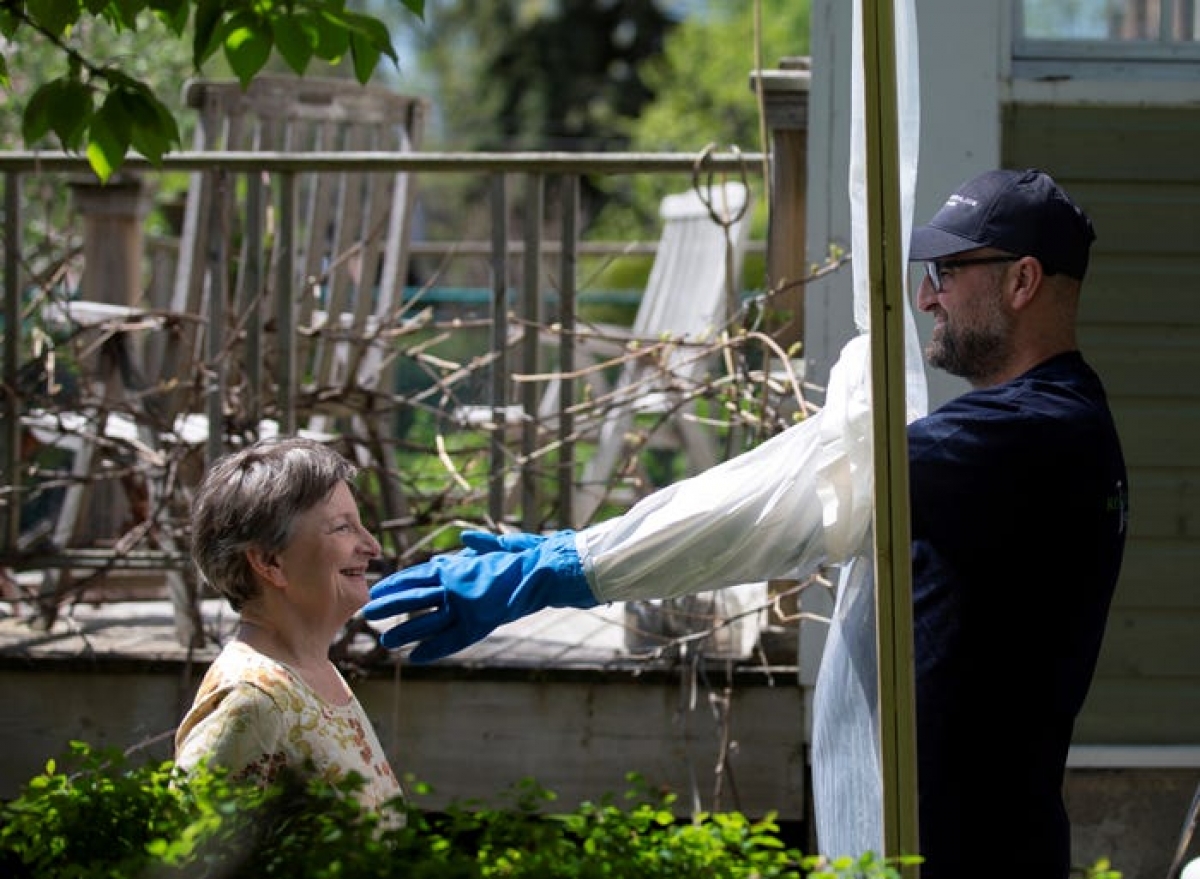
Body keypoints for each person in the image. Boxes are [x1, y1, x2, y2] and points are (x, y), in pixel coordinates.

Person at [363, 168, 1128, 878]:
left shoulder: (1031, 434)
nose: (927, 299)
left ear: (1023, 280)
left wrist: (567, 567)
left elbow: (785, 502)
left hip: (968, 851)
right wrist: (564, 552)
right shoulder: (1045, 423)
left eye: (945, 274)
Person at [175, 436, 402, 810]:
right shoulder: (251, 702)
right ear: (269, 562)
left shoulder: (313, 672)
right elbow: (190, 858)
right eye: (343, 528)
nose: (372, 545)